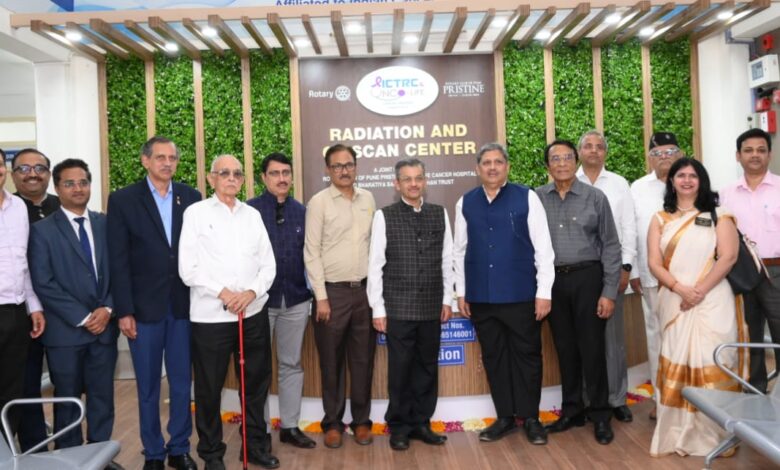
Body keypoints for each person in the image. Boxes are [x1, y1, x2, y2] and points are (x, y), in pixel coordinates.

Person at [107, 136, 201, 470]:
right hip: (143, 311)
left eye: (172, 158)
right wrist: (124, 310)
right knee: (147, 386)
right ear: (145, 160)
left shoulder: (191, 197)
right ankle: (153, 452)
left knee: (181, 384)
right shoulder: (123, 200)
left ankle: (179, 448)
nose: (167, 163)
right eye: (160, 157)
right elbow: (118, 259)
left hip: (183, 307)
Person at [179, 155, 277, 470]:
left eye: (237, 173)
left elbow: (268, 265)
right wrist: (224, 293)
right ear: (212, 179)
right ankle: (212, 455)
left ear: (243, 180)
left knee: (256, 386)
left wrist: (250, 293)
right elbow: (188, 268)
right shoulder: (196, 213)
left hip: (252, 313)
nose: (232, 178)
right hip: (211, 318)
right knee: (209, 389)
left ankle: (255, 447)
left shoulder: (253, 215)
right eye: (224, 173)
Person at [453, 143, 555, 445]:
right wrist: (461, 291)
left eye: (498, 162)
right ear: (478, 169)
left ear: (507, 166)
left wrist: (544, 292)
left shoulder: (527, 197)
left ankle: (531, 418)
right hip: (482, 298)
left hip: (521, 295)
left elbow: (543, 248)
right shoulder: (465, 202)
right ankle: (505, 417)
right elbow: (459, 250)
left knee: (527, 357)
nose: (493, 167)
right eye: (486, 163)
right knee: (494, 358)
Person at [27, 159, 122, 469]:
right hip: (65, 332)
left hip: (104, 328)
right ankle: (68, 460)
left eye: (83, 182)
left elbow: (120, 271)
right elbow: (43, 282)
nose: (78, 188)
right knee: (67, 399)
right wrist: (83, 317)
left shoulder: (105, 224)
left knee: (102, 397)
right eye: (69, 183)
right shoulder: (41, 231)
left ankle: (100, 458)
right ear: (57, 188)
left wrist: (107, 309)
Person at [648, 157, 747, 457]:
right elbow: (654, 263)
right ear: (672, 181)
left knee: (714, 359)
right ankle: (675, 432)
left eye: (693, 175)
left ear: (701, 181)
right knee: (676, 358)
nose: (687, 180)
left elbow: (728, 257)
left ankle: (715, 432)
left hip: (713, 300)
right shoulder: (660, 218)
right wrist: (680, 289)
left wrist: (699, 292)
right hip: (675, 302)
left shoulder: (720, 215)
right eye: (681, 175)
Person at [536, 140, 621, 445]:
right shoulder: (537, 198)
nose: (562, 163)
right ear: (548, 166)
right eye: (555, 158)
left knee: (592, 349)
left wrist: (608, 291)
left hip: (588, 278)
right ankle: (572, 411)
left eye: (567, 158)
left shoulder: (595, 197)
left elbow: (611, 245)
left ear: (576, 162)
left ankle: (600, 414)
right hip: (553, 282)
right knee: (565, 348)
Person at [367, 158, 453, 451]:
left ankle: (421, 423)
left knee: (427, 367)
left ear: (425, 181)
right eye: (407, 179)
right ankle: (399, 426)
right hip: (398, 307)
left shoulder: (439, 213)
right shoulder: (384, 216)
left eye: (418, 178)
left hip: (431, 306)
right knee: (401, 369)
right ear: (397, 184)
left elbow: (447, 260)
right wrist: (378, 308)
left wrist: (447, 299)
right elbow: (375, 265)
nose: (413, 184)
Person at [304, 143, 376, 449]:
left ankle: (361, 422)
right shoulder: (318, 203)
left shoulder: (368, 199)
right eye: (337, 166)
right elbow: (311, 252)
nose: (344, 171)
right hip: (331, 294)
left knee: (362, 361)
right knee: (331, 362)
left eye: (348, 165)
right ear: (328, 170)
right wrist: (321, 296)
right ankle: (332, 423)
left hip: (364, 293)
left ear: (356, 167)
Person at [247, 153, 316, 449]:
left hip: (296, 300)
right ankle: (258, 431)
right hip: (260, 303)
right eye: (274, 173)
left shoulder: (302, 211)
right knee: (258, 368)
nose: (282, 178)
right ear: (263, 178)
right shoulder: (249, 211)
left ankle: (289, 426)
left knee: (291, 364)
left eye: (286, 172)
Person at [576, 130, 637, 423]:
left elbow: (628, 227)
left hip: (612, 270)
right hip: (580, 273)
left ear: (605, 153)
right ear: (579, 152)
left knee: (613, 340)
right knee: (583, 339)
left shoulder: (619, 183)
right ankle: (589, 400)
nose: (593, 150)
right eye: (588, 146)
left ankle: (616, 399)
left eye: (599, 146)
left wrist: (626, 267)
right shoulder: (568, 181)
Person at [720, 128, 780, 394]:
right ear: (738, 156)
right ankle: (755, 392)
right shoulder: (725, 194)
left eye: (760, 150)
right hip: (741, 275)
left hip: (776, 271)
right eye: (748, 150)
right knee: (749, 336)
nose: (755, 155)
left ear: (769, 154)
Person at [629, 132, 683, 418]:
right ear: (649, 158)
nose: (664, 158)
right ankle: (662, 402)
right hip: (652, 278)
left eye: (670, 151)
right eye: (658, 153)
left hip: (688, 280)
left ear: (681, 154)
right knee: (656, 339)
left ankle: (691, 400)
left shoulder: (691, 182)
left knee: (687, 338)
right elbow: (631, 232)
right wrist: (635, 270)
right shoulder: (637, 188)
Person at [9, 147, 59, 452]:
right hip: (24, 314)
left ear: (49, 174)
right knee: (26, 386)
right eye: (24, 169)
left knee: (68, 385)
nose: (32, 174)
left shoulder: (63, 205)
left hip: (65, 314)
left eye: (39, 168)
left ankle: (71, 449)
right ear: (13, 174)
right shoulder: (11, 208)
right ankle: (34, 452)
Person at [0, 155, 45, 443]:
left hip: (16, 312)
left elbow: (23, 262)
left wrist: (34, 306)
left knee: (11, 391)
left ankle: (5, 452)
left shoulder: (18, 207)